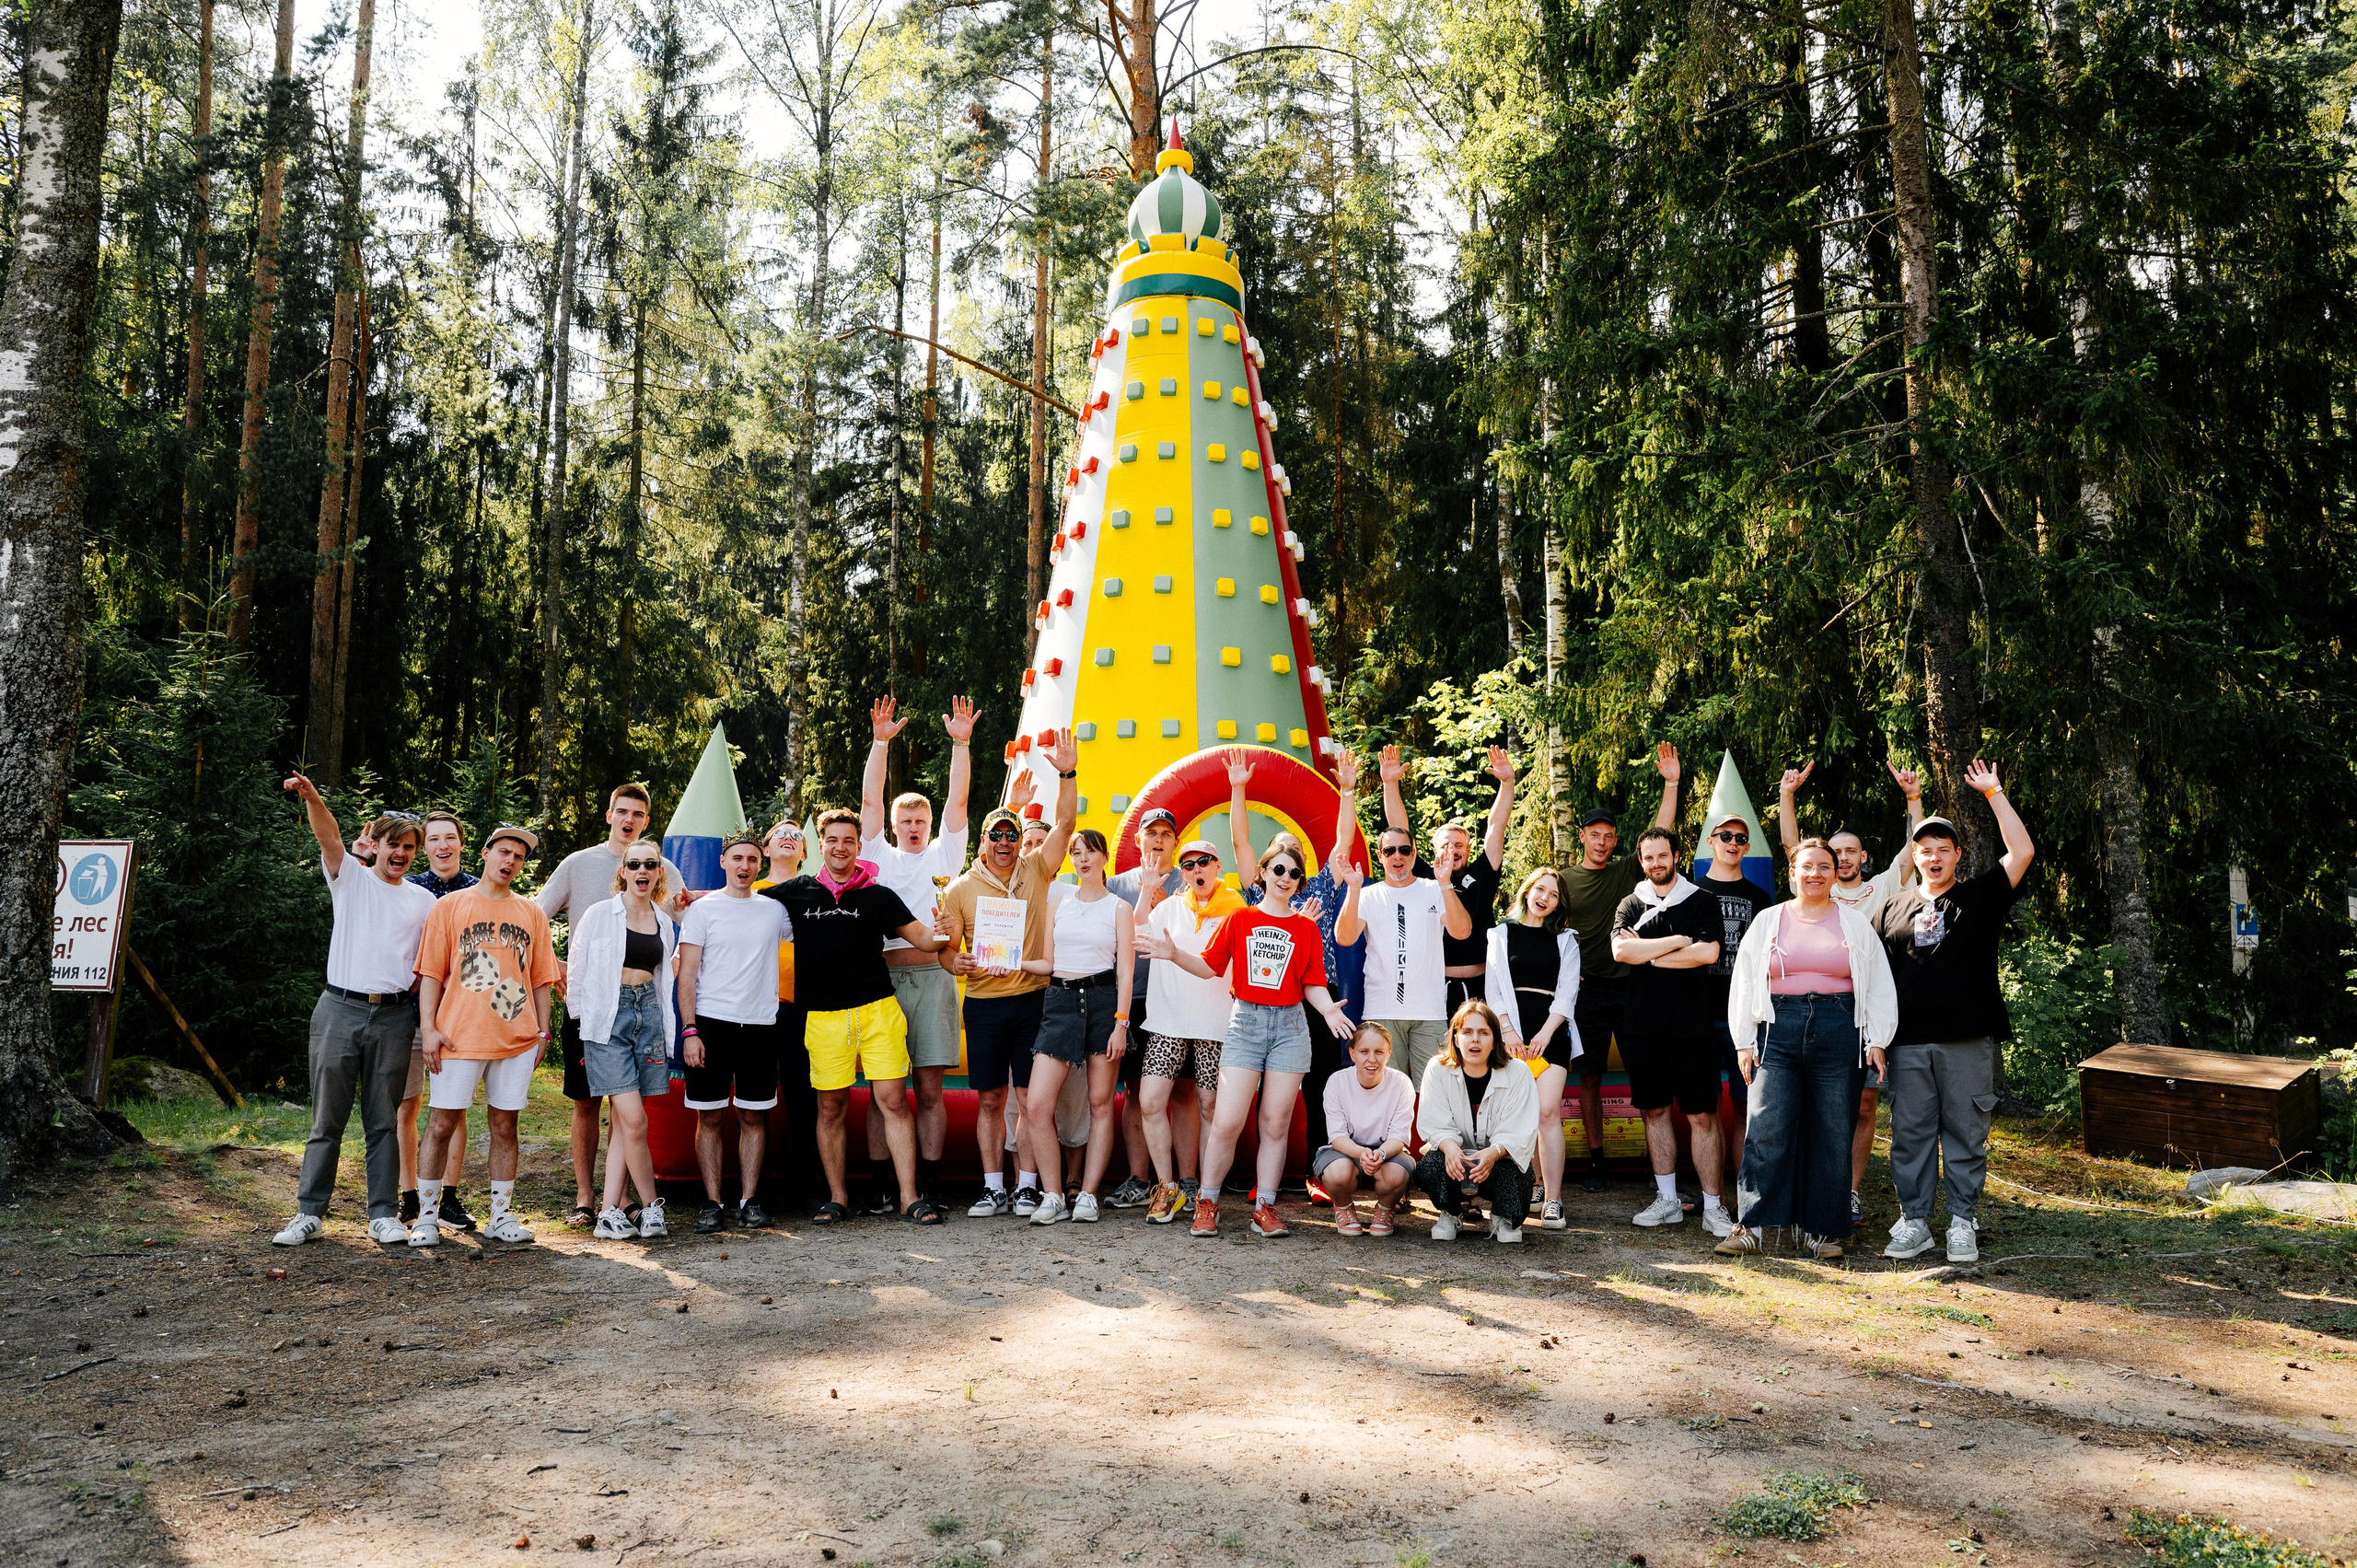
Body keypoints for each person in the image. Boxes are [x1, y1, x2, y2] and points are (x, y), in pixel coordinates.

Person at [1146, 843, 1354, 1238]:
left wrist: (1328, 1010)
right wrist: (1173, 954)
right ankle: (1207, 1203)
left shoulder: (1306, 928)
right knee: (1226, 1121)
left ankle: (1265, 1208)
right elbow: (1209, 967)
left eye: (1294, 874)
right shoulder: (1240, 918)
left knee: (1275, 1124)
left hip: (1291, 1028)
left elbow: (1312, 982)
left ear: (1299, 882)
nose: (1285, 878)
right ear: (1263, 872)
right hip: (1245, 1023)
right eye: (1279, 869)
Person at [1875, 763, 2035, 1264]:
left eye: (1944, 849)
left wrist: (1993, 791)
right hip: (1907, 1041)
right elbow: (1877, 980)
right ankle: (1916, 1222)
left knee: (1966, 1132)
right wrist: (1876, 1037)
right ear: (1915, 856)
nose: (1935, 856)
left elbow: (2023, 852)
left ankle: (1962, 1221)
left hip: (1967, 1037)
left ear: (1957, 856)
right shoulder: (1891, 908)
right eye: (1926, 849)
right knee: (1911, 1133)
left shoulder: (1980, 896)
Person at [767, 807, 951, 1225]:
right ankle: (838, 1198)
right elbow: (740, 906)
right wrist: (692, 900)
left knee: (892, 1101)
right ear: (821, 844)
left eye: (849, 840)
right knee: (829, 1107)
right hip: (825, 1018)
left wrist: (947, 927)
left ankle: (908, 1197)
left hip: (878, 1012)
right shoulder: (797, 891)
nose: (841, 847)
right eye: (832, 839)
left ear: (859, 846)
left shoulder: (879, 895)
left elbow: (923, 938)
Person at [272, 781, 435, 1247]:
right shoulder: (351, 877)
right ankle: (308, 1213)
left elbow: (430, 962)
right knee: (327, 1119)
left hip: (394, 1017)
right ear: (377, 845)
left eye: (408, 847)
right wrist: (313, 798)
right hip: (339, 1009)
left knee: (383, 1119)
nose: (400, 853)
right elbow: (329, 838)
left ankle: (383, 1215)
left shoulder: (423, 900)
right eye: (393, 845)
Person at [1718, 838, 1898, 1259]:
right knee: (1765, 1127)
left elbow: (1878, 985)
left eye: (1824, 866)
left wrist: (1877, 1040)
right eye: (1806, 866)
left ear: (1836, 874)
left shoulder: (1854, 925)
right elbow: (1744, 981)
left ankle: (1820, 1230)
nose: (1815, 873)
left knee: (1833, 1131)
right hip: (1777, 1030)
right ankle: (1752, 1228)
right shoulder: (1768, 920)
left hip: (1840, 1030)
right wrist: (1744, 1041)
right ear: (1792, 873)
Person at [937, 734, 1079, 1215]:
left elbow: (1065, 822)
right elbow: (948, 952)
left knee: (1026, 1097)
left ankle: (1026, 1185)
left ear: (1021, 842)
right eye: (995, 836)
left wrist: (1066, 773)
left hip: (1033, 997)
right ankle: (993, 1185)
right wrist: (952, 962)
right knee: (991, 1099)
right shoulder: (958, 889)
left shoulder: (1037, 869)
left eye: (1011, 836)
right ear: (983, 841)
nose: (1004, 843)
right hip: (983, 1003)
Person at [1778, 760, 1925, 1221]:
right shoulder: (1816, 888)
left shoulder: (1882, 888)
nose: (1841, 858)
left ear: (1863, 858)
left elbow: (1914, 849)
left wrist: (1913, 798)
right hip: (1816, 1012)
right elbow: (1790, 846)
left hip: (1865, 1011)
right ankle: (1810, 1186)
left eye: (1850, 851)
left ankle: (1850, 1190)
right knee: (1814, 1102)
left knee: (1863, 1105)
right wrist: (1787, 795)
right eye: (1834, 851)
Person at [537, 784, 684, 1231]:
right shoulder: (579, 867)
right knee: (588, 1103)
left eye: (638, 813)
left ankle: (615, 1205)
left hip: (646, 1014)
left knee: (627, 1115)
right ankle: (591, 1199)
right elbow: (535, 915)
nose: (629, 818)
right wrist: (554, 967)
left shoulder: (664, 880)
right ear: (609, 815)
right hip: (596, 1007)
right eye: (622, 811)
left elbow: (686, 919)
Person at [408, 824, 560, 1247]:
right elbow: (431, 975)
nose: (510, 861)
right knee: (440, 1124)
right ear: (486, 853)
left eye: (519, 857)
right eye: (504, 852)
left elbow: (542, 979)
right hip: (459, 1036)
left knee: (505, 1126)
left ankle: (501, 1216)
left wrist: (544, 1031)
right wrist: (430, 1028)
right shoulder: (452, 906)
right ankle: (426, 1217)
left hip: (516, 1038)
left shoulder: (531, 912)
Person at [859, 695, 975, 1210]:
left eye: (919, 819)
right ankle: (884, 1185)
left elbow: (959, 804)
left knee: (929, 1088)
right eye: (905, 820)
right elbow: (868, 805)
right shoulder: (876, 855)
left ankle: (930, 1184)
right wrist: (881, 744)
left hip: (933, 977)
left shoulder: (946, 854)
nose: (912, 826)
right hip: (881, 980)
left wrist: (961, 744)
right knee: (884, 1088)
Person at [1230, 747, 1369, 1162]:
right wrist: (1238, 790)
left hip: (1319, 993)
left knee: (1322, 1081)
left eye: (1296, 857)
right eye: (1280, 855)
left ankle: (1320, 1165)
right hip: (1271, 996)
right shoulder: (1258, 893)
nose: (1288, 866)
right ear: (1269, 864)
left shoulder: (1322, 887)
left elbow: (1343, 841)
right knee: (1264, 1085)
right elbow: (1239, 842)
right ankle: (1259, 1174)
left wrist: (1347, 792)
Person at [1558, 744, 1683, 1191]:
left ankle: (1659, 1167)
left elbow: (1661, 836)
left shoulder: (1629, 870)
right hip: (1586, 992)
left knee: (1647, 1072)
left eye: (1609, 834)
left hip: (1633, 988)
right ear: (1583, 838)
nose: (1602, 840)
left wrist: (1671, 783)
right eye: (1595, 834)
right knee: (1588, 1077)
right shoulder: (1564, 880)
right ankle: (1596, 1161)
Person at [1609, 826, 1731, 1237]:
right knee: (1654, 1111)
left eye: (1663, 856)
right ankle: (1668, 1200)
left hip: (1691, 1025)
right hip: (1642, 1026)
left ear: (1676, 856)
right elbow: (1622, 951)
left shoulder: (1702, 900)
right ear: (1641, 860)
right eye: (1648, 858)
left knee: (1702, 1115)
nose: (1656, 864)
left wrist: (1652, 954)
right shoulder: (1630, 902)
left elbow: (1708, 953)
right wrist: (1678, 941)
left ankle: (1714, 1205)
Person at [675, 831, 792, 1233]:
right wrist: (690, 1031)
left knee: (753, 1117)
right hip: (710, 1024)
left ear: (760, 865)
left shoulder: (775, 910)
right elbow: (686, 975)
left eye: (753, 860)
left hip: (761, 1025)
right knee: (709, 1117)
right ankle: (712, 1203)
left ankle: (749, 1201)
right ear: (723, 861)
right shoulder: (703, 911)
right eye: (738, 858)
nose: (745, 866)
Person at [1016, 829, 1133, 1224]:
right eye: (1076, 852)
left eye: (1090, 851)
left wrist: (1121, 1024)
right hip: (1060, 1001)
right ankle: (1052, 1194)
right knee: (1037, 1104)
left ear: (1103, 857)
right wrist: (1011, 961)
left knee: (1100, 1105)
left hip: (1103, 1003)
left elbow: (1126, 974)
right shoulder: (1059, 904)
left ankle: (1087, 1194)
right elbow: (1048, 963)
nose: (1082, 858)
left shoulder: (1120, 908)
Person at [571, 845, 682, 1240]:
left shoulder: (664, 922)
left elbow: (667, 974)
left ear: (658, 873)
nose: (642, 870)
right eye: (634, 864)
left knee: (623, 1124)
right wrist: (580, 1020)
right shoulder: (600, 914)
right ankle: (652, 1208)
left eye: (650, 864)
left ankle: (607, 1214)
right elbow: (578, 966)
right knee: (636, 1120)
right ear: (623, 871)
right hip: (606, 1020)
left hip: (648, 1015)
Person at [1132, 838, 1245, 1222]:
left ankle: (1206, 1193)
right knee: (1150, 1101)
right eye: (1189, 865)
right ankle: (1166, 1187)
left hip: (1216, 1023)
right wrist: (1147, 887)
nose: (1197, 870)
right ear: (1182, 873)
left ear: (1217, 866)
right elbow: (1137, 931)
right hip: (1168, 1021)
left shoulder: (1237, 910)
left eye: (1204, 862)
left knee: (1210, 1106)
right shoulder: (1167, 908)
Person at [1381, 743, 1515, 1019]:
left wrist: (1507, 783)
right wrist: (1390, 784)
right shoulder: (1423, 875)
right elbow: (1399, 828)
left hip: (1484, 985)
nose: (1452, 850)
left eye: (1459, 845)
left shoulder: (1482, 874)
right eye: (1445, 845)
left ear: (1468, 850)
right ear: (1432, 851)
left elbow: (1496, 826)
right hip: (1436, 986)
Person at [1333, 823, 1470, 1083]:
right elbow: (1344, 937)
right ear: (1380, 856)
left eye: (1404, 850)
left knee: (1433, 1094)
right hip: (1382, 1010)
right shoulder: (1367, 895)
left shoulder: (1435, 889)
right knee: (1384, 1093)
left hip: (1429, 1013)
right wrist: (1352, 889)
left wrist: (1445, 883)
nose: (1398, 856)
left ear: (1414, 853)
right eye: (1390, 850)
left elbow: (1462, 932)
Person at [1485, 867, 1583, 1228]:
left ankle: (1555, 1199)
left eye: (1554, 894)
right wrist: (1508, 1032)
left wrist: (1544, 1033)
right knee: (1521, 1113)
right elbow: (1493, 987)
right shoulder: (1500, 934)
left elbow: (1568, 991)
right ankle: (1535, 1185)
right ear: (1527, 891)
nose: (1545, 898)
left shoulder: (1566, 940)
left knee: (1546, 1111)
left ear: (1559, 903)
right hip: (1510, 1033)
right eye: (1540, 890)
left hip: (1551, 1031)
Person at [1107, 807, 1192, 1210]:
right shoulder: (1115, 885)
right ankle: (1139, 1179)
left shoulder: (1191, 879)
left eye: (1165, 833)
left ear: (1175, 841)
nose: (1158, 840)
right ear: (1138, 840)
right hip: (1134, 999)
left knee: (1185, 1092)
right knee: (1137, 1093)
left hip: (1178, 998)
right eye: (1151, 833)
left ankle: (1189, 1182)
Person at [397, 809, 475, 1229]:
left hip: (460, 1019)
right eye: (434, 839)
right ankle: (409, 1195)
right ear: (423, 847)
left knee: (453, 1108)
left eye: (450, 838)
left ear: (462, 842)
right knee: (407, 1105)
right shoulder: (408, 888)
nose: (443, 846)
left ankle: (448, 1196)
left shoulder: (480, 891)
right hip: (407, 1015)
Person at [1692, 802, 1775, 1182]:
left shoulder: (1761, 899)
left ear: (1746, 848)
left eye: (1740, 838)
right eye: (1725, 836)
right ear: (1711, 841)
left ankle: (1747, 1194)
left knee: (1747, 1107)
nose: (1732, 842)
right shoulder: (1689, 892)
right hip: (1698, 1013)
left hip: (1745, 1016)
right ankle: (1713, 1197)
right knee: (1703, 1110)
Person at [1414, 1001, 1540, 1244]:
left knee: (1519, 1169)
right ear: (1455, 1037)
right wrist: (1451, 1148)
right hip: (1456, 1165)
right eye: (1467, 1032)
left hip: (1497, 1164)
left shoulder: (1519, 1073)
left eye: (1484, 1033)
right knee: (1432, 1165)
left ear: (1495, 1039)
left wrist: (1493, 1153)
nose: (1475, 1040)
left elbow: (1520, 1132)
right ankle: (1450, 1213)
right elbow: (1434, 1123)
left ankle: (1503, 1217)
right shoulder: (1437, 1069)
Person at [751, 818, 822, 1206]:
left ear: (805, 852)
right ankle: (756, 1192)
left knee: (804, 1102)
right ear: (766, 849)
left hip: (801, 1010)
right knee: (755, 1102)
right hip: (756, 1010)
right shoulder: (747, 890)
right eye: (781, 833)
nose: (789, 838)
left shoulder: (816, 893)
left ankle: (808, 1189)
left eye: (797, 836)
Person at [1313, 1022, 1416, 1236]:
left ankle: (1385, 1210)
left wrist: (1380, 1153)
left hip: (1387, 1154)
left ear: (1389, 1054)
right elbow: (1337, 1137)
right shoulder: (1337, 1081)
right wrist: (1361, 1153)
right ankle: (1343, 1208)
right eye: (1364, 1051)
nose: (1372, 1059)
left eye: (1379, 1052)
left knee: (1397, 1173)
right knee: (1338, 1173)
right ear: (1352, 1054)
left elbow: (1399, 1136)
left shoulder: (1401, 1083)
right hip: (1345, 1152)